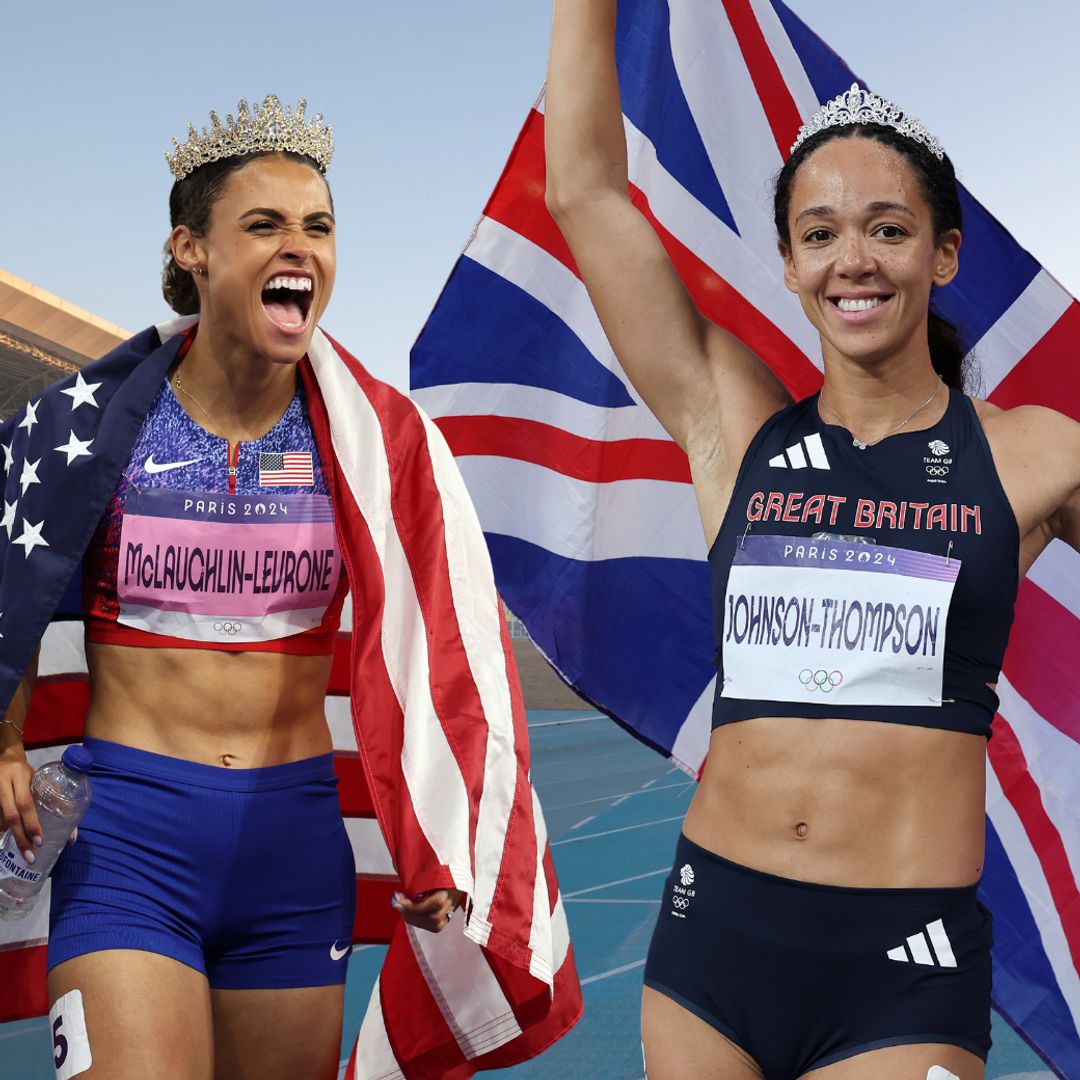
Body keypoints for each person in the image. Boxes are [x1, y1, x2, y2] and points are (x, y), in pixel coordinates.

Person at [545, 5, 1080, 1079]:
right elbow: (584, 194)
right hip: (712, 946)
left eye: (888, 228)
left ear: (943, 252)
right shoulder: (728, 418)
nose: (855, 260)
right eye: (821, 233)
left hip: (903, 965)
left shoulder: (1034, 456)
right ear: (788, 263)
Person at [0, 96, 462, 1080]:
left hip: (292, 852)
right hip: (129, 837)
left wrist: (442, 828)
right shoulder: (93, 430)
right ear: (192, 249)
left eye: (318, 226)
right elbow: (14, 581)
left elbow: (436, 642)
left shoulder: (373, 443)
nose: (300, 245)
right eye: (265, 224)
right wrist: (3, 739)